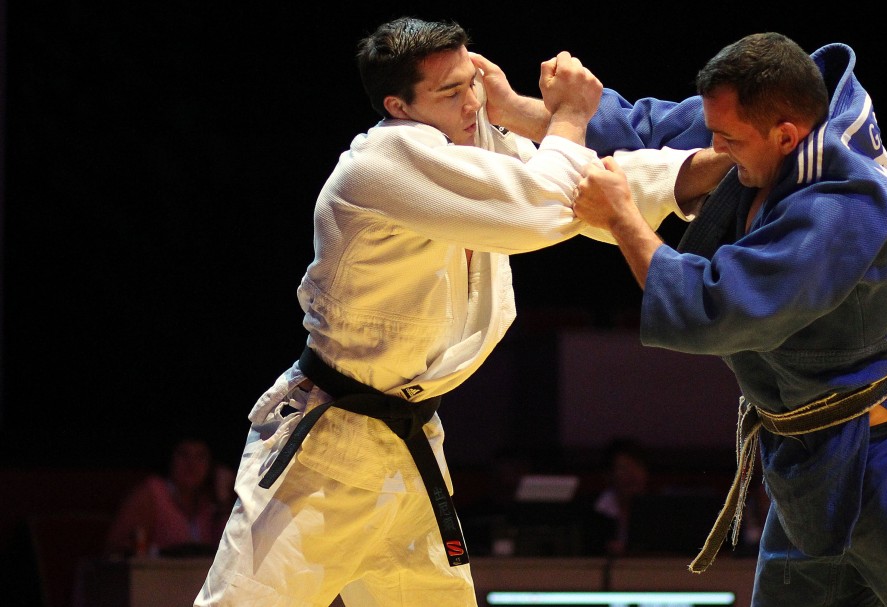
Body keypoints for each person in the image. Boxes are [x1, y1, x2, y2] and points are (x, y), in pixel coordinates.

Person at [195, 16, 729, 607]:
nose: (472, 99)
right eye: (450, 92)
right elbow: (536, 210)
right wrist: (569, 116)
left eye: (471, 78)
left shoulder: (474, 147)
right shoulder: (383, 161)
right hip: (326, 448)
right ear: (399, 105)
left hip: (410, 445)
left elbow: (590, 191)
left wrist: (722, 163)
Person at [539, 33, 887, 605]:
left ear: (786, 135)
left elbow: (714, 310)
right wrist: (522, 107)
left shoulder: (844, 201)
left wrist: (622, 219)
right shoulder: (775, 111)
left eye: (729, 141)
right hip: (806, 466)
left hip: (886, 459)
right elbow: (656, 133)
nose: (714, 151)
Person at [104, 437, 234, 558]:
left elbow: (229, 556)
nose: (191, 464)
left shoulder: (211, 502)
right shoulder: (151, 494)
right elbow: (118, 550)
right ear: (170, 458)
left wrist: (223, 499)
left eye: (200, 457)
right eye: (183, 454)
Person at [591, 437, 651, 556]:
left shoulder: (656, 511)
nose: (633, 474)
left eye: (638, 466)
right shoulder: (593, 512)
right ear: (609, 475)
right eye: (624, 468)